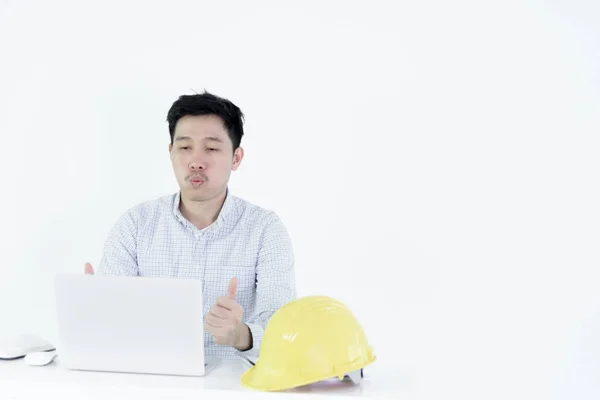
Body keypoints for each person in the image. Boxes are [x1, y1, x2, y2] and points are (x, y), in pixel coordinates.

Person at [83, 91, 297, 361]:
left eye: (211, 148)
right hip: (152, 377)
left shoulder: (265, 230)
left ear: (236, 158)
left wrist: (240, 335)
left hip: (232, 384)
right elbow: (109, 319)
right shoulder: (135, 225)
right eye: (185, 147)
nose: (196, 161)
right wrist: (93, 307)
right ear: (170, 152)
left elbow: (285, 329)